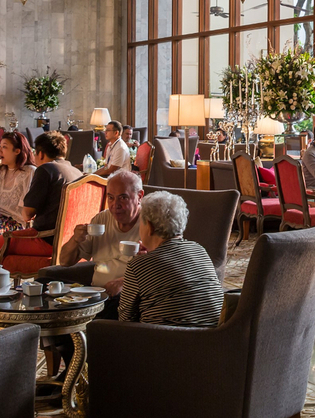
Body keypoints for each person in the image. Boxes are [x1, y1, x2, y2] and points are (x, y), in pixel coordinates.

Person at [118, 191, 223, 327]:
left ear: (149, 227)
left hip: (166, 338)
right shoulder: (198, 249)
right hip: (215, 335)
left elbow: (125, 320)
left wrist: (143, 262)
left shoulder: (137, 266)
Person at [57, 170, 145, 314]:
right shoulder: (101, 220)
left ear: (139, 196)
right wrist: (75, 239)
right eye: (111, 198)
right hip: (96, 293)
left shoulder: (149, 223)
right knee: (45, 283)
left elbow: (162, 271)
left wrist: (124, 282)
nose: (115, 205)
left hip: (126, 296)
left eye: (123, 197)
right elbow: (65, 262)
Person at [21, 131, 83, 232]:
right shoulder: (78, 173)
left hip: (45, 236)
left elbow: (27, 214)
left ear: (41, 154)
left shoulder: (45, 169)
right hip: (71, 236)